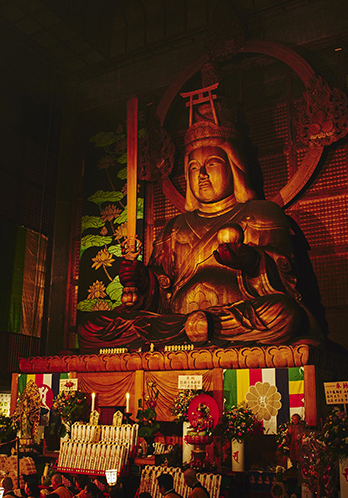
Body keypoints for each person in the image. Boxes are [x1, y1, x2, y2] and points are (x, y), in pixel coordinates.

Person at [78, 83, 326, 351]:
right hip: (176, 321)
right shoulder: (174, 228)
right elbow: (161, 293)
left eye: (212, 165)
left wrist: (251, 261)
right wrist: (141, 280)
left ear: (234, 167)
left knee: (284, 314)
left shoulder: (260, 213)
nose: (202, 175)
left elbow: (288, 277)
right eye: (194, 168)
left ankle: (203, 328)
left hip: (236, 316)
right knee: (90, 327)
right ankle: (193, 330)